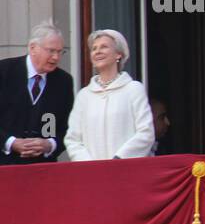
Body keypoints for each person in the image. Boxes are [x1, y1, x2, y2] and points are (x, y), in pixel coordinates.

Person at [65, 29, 155, 161]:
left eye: (104, 47)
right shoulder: (84, 96)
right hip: (92, 174)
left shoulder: (134, 89)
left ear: (118, 54)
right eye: (94, 48)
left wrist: (119, 159)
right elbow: (73, 139)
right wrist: (88, 165)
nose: (97, 51)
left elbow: (146, 133)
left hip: (126, 171)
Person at [0, 22, 74, 166]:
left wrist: (49, 144)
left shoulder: (64, 81)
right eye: (51, 51)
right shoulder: (4, 72)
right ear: (33, 48)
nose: (56, 57)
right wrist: (11, 142)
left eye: (60, 52)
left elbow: (67, 127)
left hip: (44, 169)